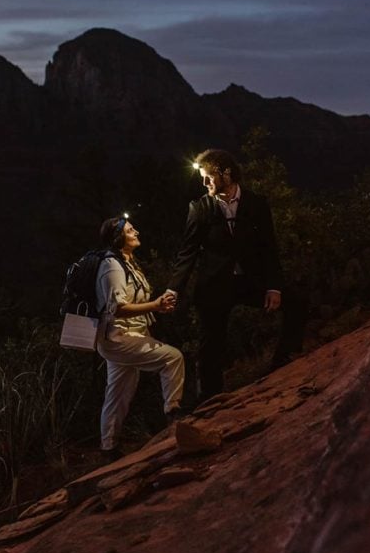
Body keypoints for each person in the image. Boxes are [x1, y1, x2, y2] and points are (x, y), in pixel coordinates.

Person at [167, 148, 285, 401]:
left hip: (248, 281)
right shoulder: (199, 208)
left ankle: (283, 363)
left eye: (209, 176)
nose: (204, 182)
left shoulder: (256, 203)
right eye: (202, 177)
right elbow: (187, 252)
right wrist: (173, 289)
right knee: (211, 344)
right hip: (215, 285)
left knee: (296, 301)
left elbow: (269, 248)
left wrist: (273, 286)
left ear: (227, 173)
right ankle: (209, 399)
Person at [96, 216, 185, 461]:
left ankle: (108, 448)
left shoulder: (128, 263)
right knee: (172, 357)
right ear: (118, 238)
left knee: (118, 392)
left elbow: (135, 302)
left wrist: (156, 307)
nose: (136, 231)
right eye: (129, 230)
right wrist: (155, 305)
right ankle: (174, 414)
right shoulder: (112, 266)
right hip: (118, 338)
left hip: (126, 335)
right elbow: (118, 308)